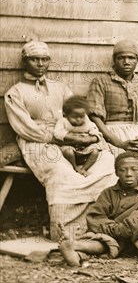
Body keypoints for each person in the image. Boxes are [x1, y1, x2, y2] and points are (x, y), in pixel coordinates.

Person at [4, 41, 116, 240]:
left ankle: (101, 225)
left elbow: (80, 115)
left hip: (71, 137)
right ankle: (68, 233)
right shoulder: (16, 92)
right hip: (37, 141)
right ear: (25, 62)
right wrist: (56, 139)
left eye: (44, 59)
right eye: (34, 59)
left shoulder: (61, 88)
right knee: (60, 171)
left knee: (106, 162)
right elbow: (24, 128)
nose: (40, 64)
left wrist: (92, 135)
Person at [87, 39, 138, 180]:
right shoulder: (101, 81)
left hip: (137, 134)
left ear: (137, 60)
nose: (126, 62)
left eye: (131, 58)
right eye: (121, 58)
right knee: (110, 164)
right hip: (109, 134)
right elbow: (95, 118)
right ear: (114, 60)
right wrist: (120, 143)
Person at [53, 96, 105, 177]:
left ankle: (84, 168)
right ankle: (75, 167)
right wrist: (74, 138)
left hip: (85, 148)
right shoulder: (63, 121)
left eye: (81, 117)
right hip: (70, 147)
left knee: (95, 152)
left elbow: (96, 131)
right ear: (66, 115)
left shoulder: (87, 121)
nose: (79, 119)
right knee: (68, 152)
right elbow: (57, 133)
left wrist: (91, 139)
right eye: (74, 117)